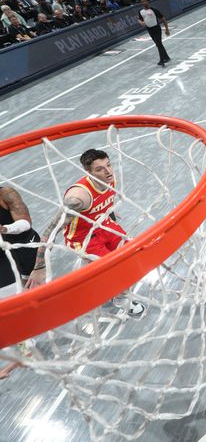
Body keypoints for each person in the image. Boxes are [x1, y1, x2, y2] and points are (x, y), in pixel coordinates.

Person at [27, 149, 144, 315]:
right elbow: (51, 231)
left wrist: (108, 211)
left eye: (108, 165)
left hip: (104, 225)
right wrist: (40, 267)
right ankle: (118, 298)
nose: (108, 171)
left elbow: (106, 198)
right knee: (115, 270)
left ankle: (92, 271)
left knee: (133, 256)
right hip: (83, 238)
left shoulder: (110, 179)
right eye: (100, 169)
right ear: (88, 172)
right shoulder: (77, 197)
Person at [0, 186, 41, 379]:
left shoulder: (5, 193)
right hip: (7, 253)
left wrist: (4, 229)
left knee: (32, 295)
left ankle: (26, 347)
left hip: (26, 246)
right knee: (17, 304)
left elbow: (25, 222)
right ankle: (25, 348)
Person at [137, 0, 171, 67]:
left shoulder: (153, 10)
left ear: (148, 1)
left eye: (145, 1)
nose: (144, 3)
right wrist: (140, 22)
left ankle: (162, 61)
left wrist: (167, 29)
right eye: (142, 2)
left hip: (157, 28)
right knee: (158, 44)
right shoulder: (141, 12)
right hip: (150, 30)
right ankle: (166, 57)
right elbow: (140, 19)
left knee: (158, 44)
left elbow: (163, 18)